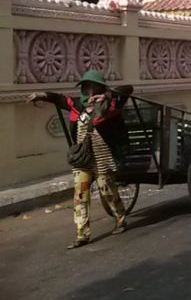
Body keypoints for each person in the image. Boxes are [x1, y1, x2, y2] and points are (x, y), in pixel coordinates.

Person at [27, 69, 132, 249]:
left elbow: (128, 88)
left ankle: (120, 218)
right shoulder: (76, 106)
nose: (90, 91)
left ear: (100, 88)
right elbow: (59, 98)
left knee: (107, 190)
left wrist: (106, 96)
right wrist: (40, 95)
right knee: (80, 196)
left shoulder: (112, 105)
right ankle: (82, 234)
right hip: (83, 160)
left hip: (102, 158)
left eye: (94, 87)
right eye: (86, 87)